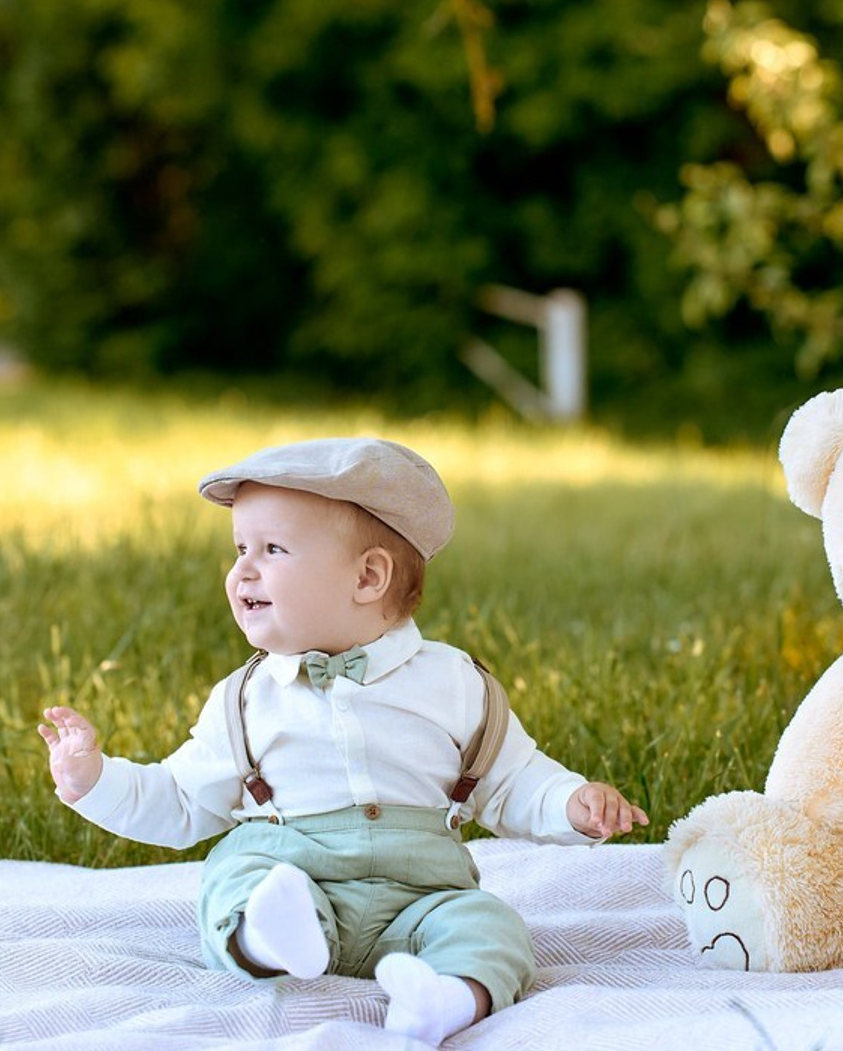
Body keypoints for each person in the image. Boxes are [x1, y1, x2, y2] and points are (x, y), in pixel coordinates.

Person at [39, 437, 648, 1045]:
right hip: (294, 874)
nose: (243, 570)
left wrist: (572, 803)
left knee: (491, 926)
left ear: (368, 576)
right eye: (240, 549)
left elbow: (513, 780)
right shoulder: (246, 700)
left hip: (420, 897)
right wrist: (95, 780)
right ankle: (272, 940)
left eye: (272, 549)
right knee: (237, 882)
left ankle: (446, 999)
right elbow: (178, 798)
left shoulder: (456, 684)